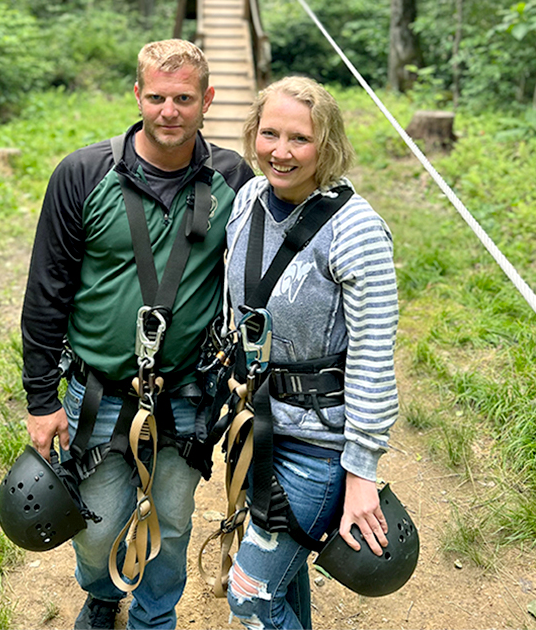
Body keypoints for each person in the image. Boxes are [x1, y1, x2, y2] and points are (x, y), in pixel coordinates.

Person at [20, 39, 255, 629]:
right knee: (95, 527)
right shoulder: (83, 173)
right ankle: (102, 595)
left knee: (172, 522)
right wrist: (41, 399)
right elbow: (46, 291)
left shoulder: (232, 179)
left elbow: (266, 263)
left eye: (183, 98)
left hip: (187, 391)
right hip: (97, 389)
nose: (169, 111)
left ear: (207, 100)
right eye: (157, 97)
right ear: (137, 95)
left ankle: (155, 616)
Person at [224, 77, 398, 629]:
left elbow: (374, 355)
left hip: (317, 448)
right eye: (269, 133)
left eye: (299, 138)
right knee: (284, 579)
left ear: (328, 144)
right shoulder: (249, 200)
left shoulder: (356, 230)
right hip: (259, 426)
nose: (280, 151)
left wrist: (362, 471)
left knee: (250, 593)